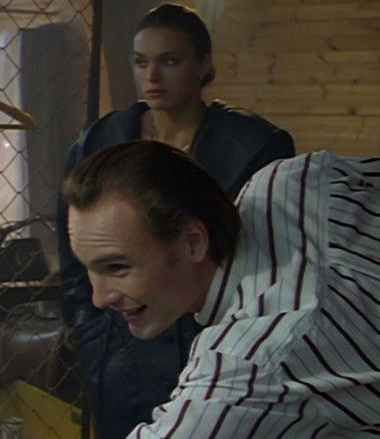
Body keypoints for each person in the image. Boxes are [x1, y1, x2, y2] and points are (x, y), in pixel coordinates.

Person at [64, 140, 380, 438]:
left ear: (192, 242)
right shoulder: (296, 180)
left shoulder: (249, 361)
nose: (99, 297)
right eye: (89, 269)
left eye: (117, 268)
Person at [56, 4, 294, 437]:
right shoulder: (101, 139)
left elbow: (271, 257)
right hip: (122, 347)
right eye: (140, 62)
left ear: (204, 64)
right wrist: (89, 332)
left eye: (169, 60)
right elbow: (75, 254)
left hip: (222, 344)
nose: (152, 76)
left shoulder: (252, 145)